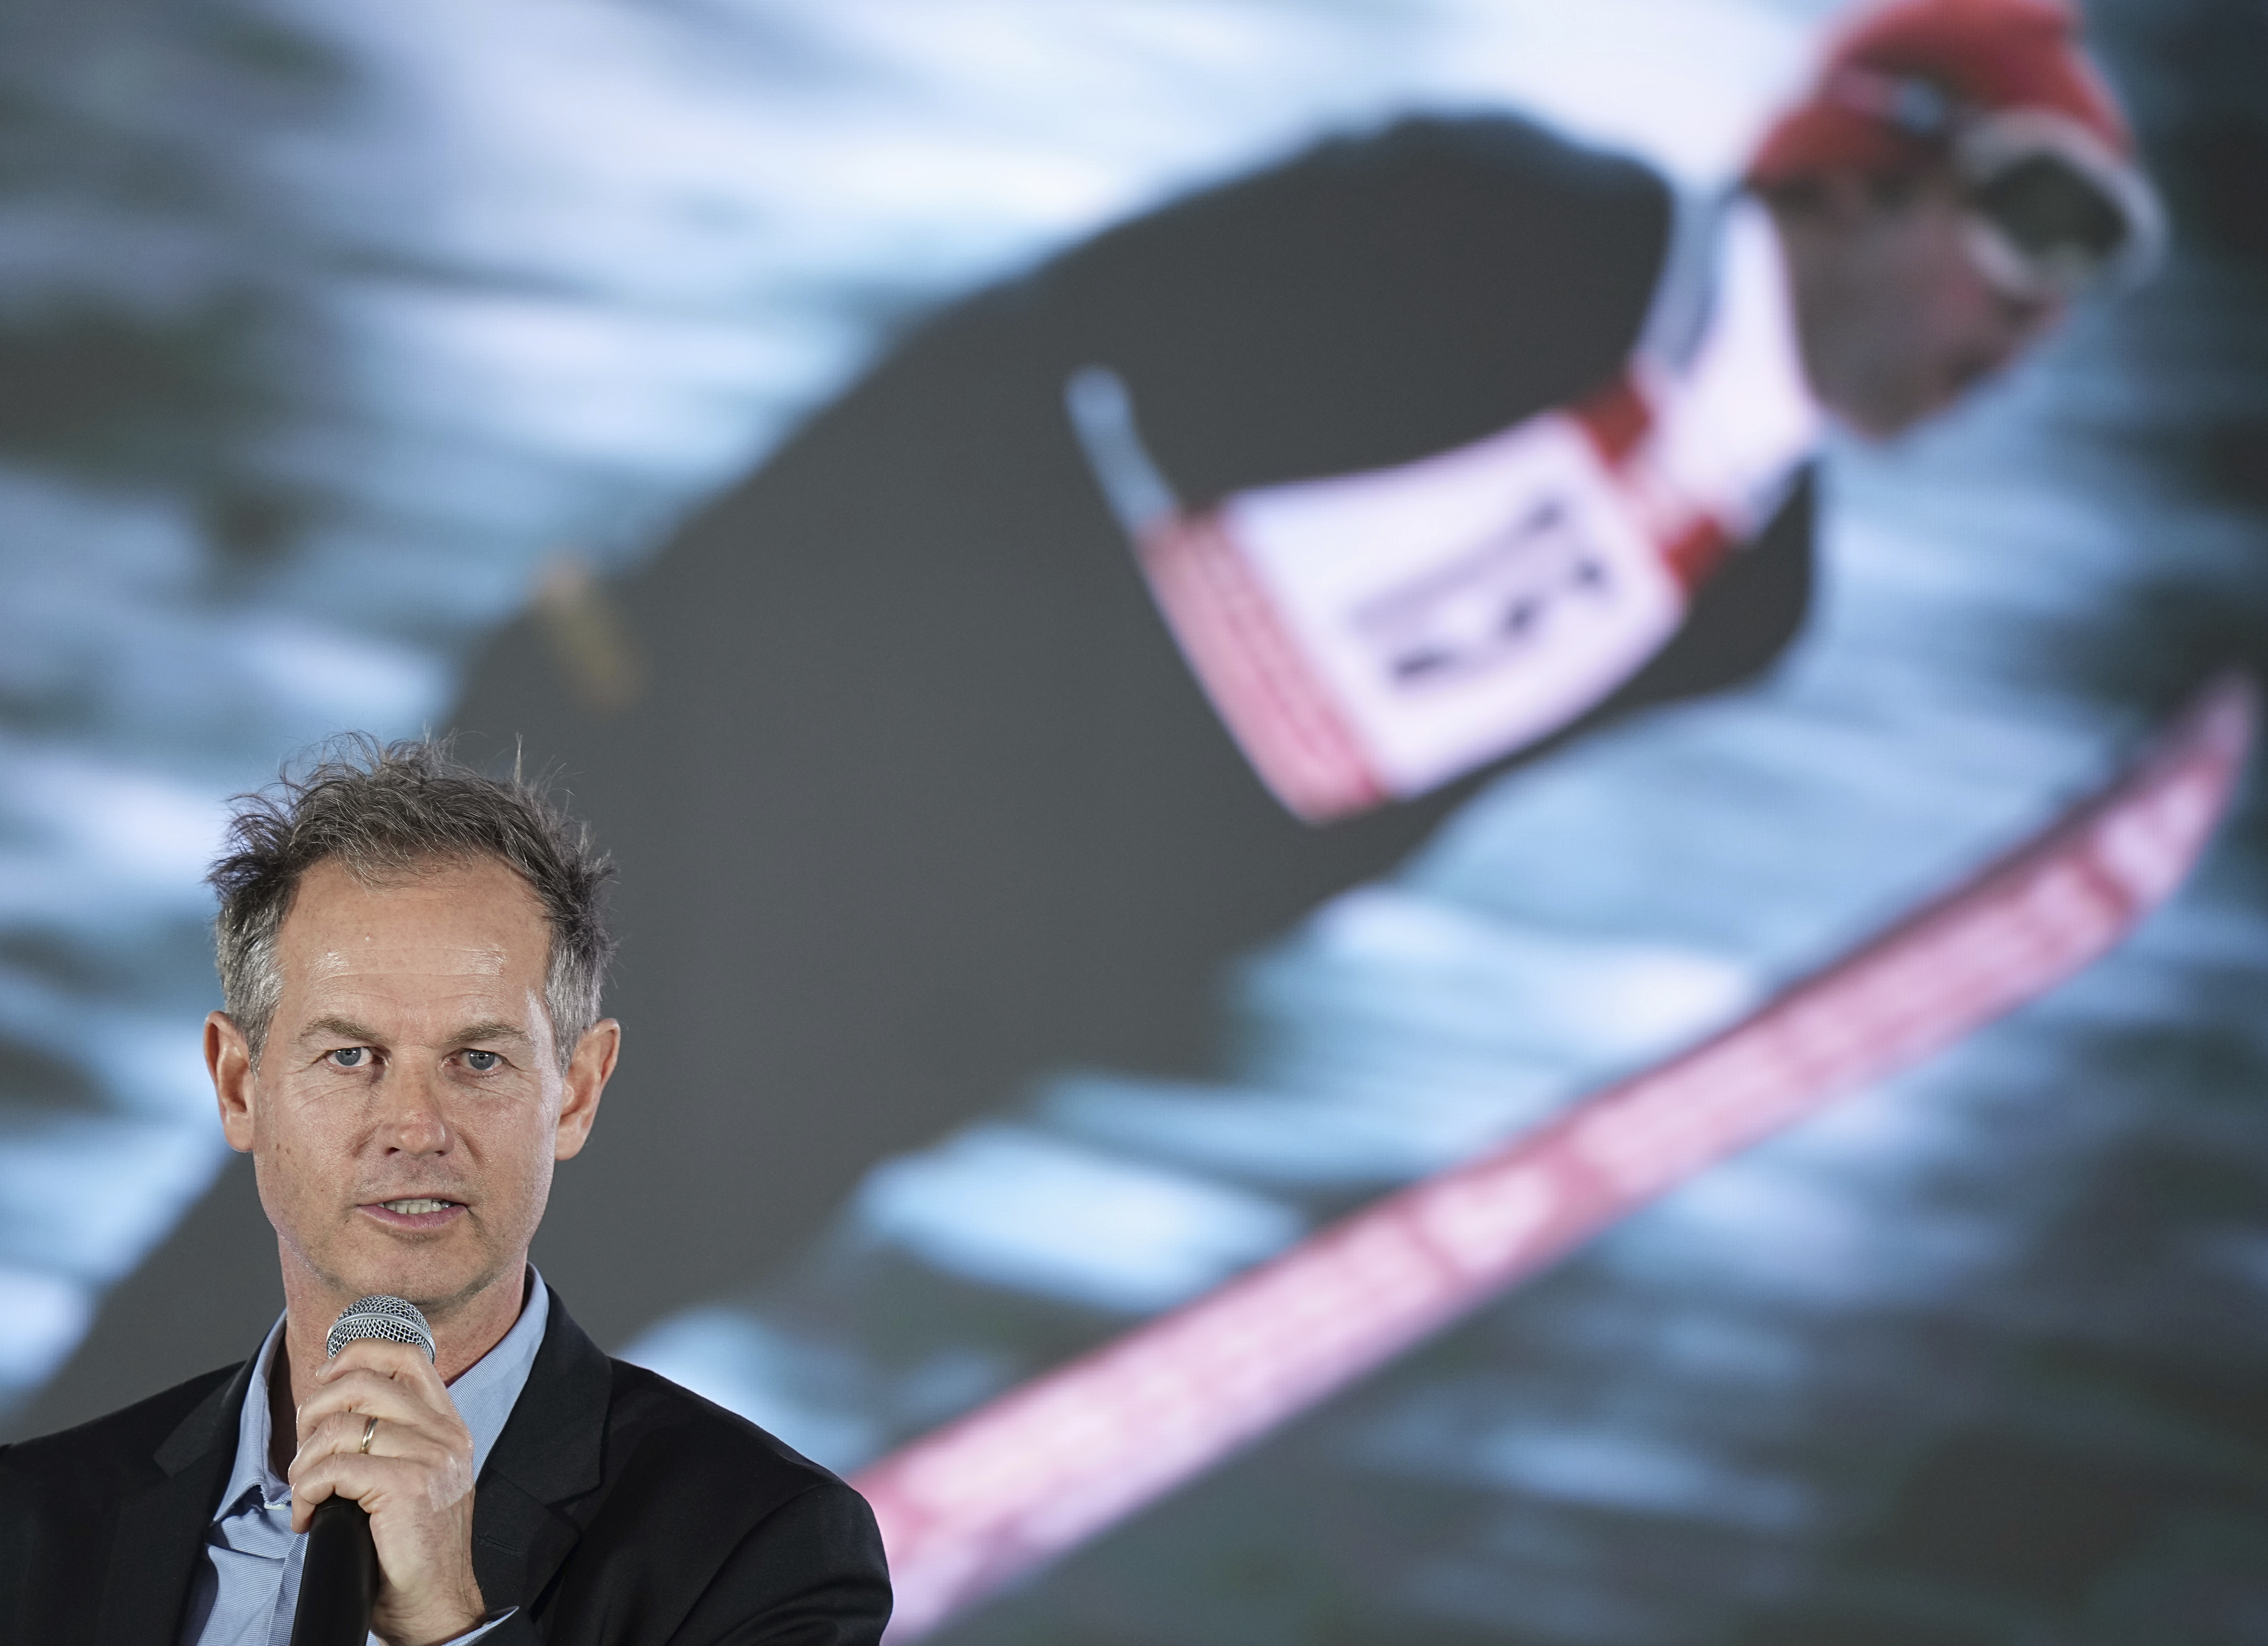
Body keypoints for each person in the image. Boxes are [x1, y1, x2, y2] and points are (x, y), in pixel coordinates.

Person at [445, 0, 2165, 1344]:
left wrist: (1074, 1009)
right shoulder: (1523, 226)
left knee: (505, 1428)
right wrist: (629, 662)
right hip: (721, 824)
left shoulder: (1752, 600)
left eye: (2091, 277)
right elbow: (1021, 363)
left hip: (912, 1021)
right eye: (2031, 220)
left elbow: (1362, 785)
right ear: (1862, 160)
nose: (2037, 320)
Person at [0, 740, 891, 1646]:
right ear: (238, 1085)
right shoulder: (44, 1520)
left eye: (478, 1059)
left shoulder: (756, 1543)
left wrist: (461, 1644)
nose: (414, 1124)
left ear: (577, 1089)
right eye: (353, 1053)